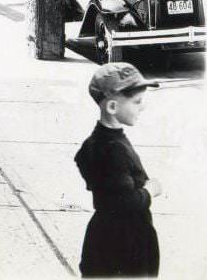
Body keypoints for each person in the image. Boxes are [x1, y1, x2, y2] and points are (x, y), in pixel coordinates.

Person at [75, 62, 162, 278]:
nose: (143, 107)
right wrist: (150, 191)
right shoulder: (113, 149)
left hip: (104, 239)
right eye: (137, 101)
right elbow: (123, 203)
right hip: (124, 244)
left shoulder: (95, 143)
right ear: (112, 107)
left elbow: (89, 170)